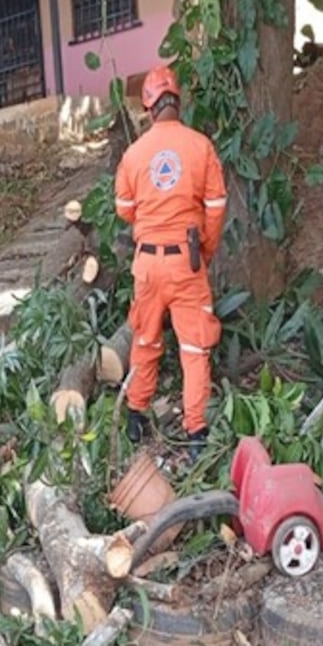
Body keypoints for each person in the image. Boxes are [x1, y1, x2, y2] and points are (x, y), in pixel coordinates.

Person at [114, 64, 228, 460]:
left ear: (148, 108)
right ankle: (195, 432)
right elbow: (215, 209)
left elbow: (125, 210)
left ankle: (135, 414)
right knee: (195, 349)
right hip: (186, 262)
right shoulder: (201, 147)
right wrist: (205, 252)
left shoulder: (134, 154)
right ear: (177, 103)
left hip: (147, 264)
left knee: (144, 339)